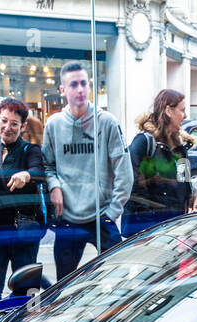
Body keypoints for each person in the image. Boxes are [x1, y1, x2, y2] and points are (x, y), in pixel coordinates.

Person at [42, 60, 132, 279]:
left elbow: (124, 171)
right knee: (63, 285)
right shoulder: (53, 125)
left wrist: (112, 212)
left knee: (117, 279)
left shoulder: (107, 122)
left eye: (84, 83)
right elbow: (46, 165)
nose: (80, 89)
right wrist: (54, 186)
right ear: (63, 89)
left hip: (102, 215)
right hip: (68, 218)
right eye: (74, 85)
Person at [0, 98, 45, 302]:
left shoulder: (30, 150)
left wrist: (26, 175)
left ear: (23, 126)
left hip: (22, 232)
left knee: (25, 293)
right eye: (4, 121)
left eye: (14, 124)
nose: (8, 127)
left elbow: (38, 171)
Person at [124, 88, 193, 236]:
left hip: (173, 228)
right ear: (168, 110)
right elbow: (133, 186)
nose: (185, 115)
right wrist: (150, 223)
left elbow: (185, 186)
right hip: (147, 229)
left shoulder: (181, 148)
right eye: (182, 110)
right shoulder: (143, 142)